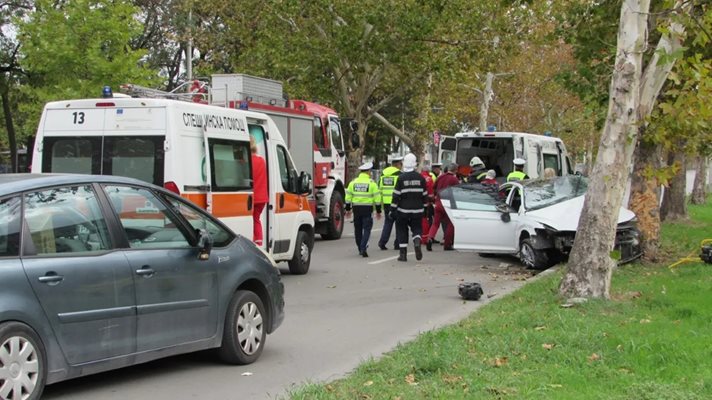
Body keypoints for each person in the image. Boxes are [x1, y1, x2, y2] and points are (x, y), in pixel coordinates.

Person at [390, 153, 428, 262]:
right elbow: (425, 196)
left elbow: (396, 196)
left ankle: (403, 255)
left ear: (404, 163)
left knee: (402, 229)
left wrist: (392, 210)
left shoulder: (401, 178)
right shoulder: (421, 178)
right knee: (417, 228)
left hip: (403, 211)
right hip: (418, 210)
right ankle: (416, 241)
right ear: (415, 164)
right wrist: (425, 209)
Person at [345, 162, 382, 257]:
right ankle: (363, 247)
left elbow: (348, 197)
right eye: (370, 171)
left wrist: (348, 209)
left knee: (357, 229)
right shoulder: (372, 183)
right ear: (368, 172)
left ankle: (360, 247)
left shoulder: (353, 183)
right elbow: (377, 199)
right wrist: (378, 211)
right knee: (367, 229)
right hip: (367, 209)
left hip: (356, 209)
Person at [427, 162, 460, 251]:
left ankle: (430, 238)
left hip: (438, 203)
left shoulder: (440, 177)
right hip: (448, 204)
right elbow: (457, 192)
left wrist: (435, 196)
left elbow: (434, 188)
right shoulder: (454, 179)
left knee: (435, 223)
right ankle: (447, 244)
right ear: (455, 170)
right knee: (450, 224)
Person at [377, 156, 403, 250]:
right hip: (397, 203)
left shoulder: (383, 174)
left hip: (386, 203)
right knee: (399, 224)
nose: (401, 166)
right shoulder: (400, 174)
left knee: (388, 223)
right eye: (401, 164)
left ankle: (382, 242)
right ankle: (397, 244)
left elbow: (379, 189)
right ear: (397, 165)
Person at [251, 137, 268, 247]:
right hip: (262, 198)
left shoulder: (247, 161)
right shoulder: (261, 160)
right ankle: (259, 244)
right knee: (256, 220)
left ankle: (253, 243)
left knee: (251, 220)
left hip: (252, 198)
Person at [419, 161, 435, 245]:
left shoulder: (418, 176)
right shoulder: (429, 179)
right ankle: (426, 237)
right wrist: (433, 200)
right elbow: (431, 193)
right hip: (426, 202)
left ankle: (418, 236)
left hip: (417, 202)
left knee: (418, 220)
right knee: (427, 219)